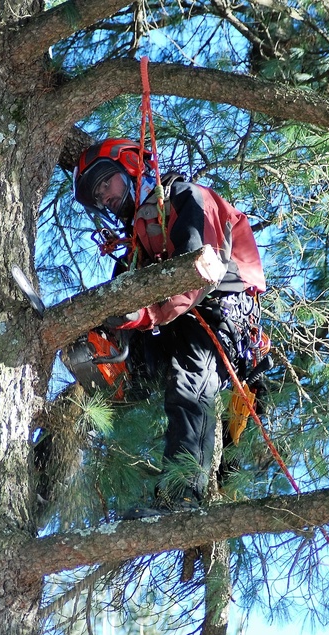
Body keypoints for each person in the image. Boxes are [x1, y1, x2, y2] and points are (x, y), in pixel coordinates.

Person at [72, 138, 267, 517]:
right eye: (97, 195)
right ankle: (112, 373)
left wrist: (141, 315)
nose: (104, 197)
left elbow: (195, 273)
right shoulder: (138, 235)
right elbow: (130, 289)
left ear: (130, 165)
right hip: (178, 320)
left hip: (220, 309)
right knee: (130, 336)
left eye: (106, 183)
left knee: (188, 383)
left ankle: (181, 495)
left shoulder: (184, 198)